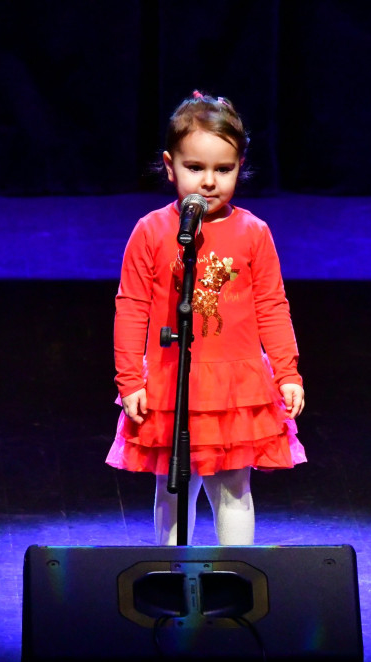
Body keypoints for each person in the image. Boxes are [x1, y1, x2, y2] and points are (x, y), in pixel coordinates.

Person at [106, 90, 305, 546]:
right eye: (195, 168)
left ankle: (235, 580)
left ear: (240, 167)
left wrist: (287, 372)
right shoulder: (152, 231)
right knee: (172, 486)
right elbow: (132, 305)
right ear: (170, 164)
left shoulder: (254, 233)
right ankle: (175, 576)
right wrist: (130, 380)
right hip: (172, 381)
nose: (209, 182)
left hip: (235, 386)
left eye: (224, 169)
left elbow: (272, 304)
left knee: (234, 488)